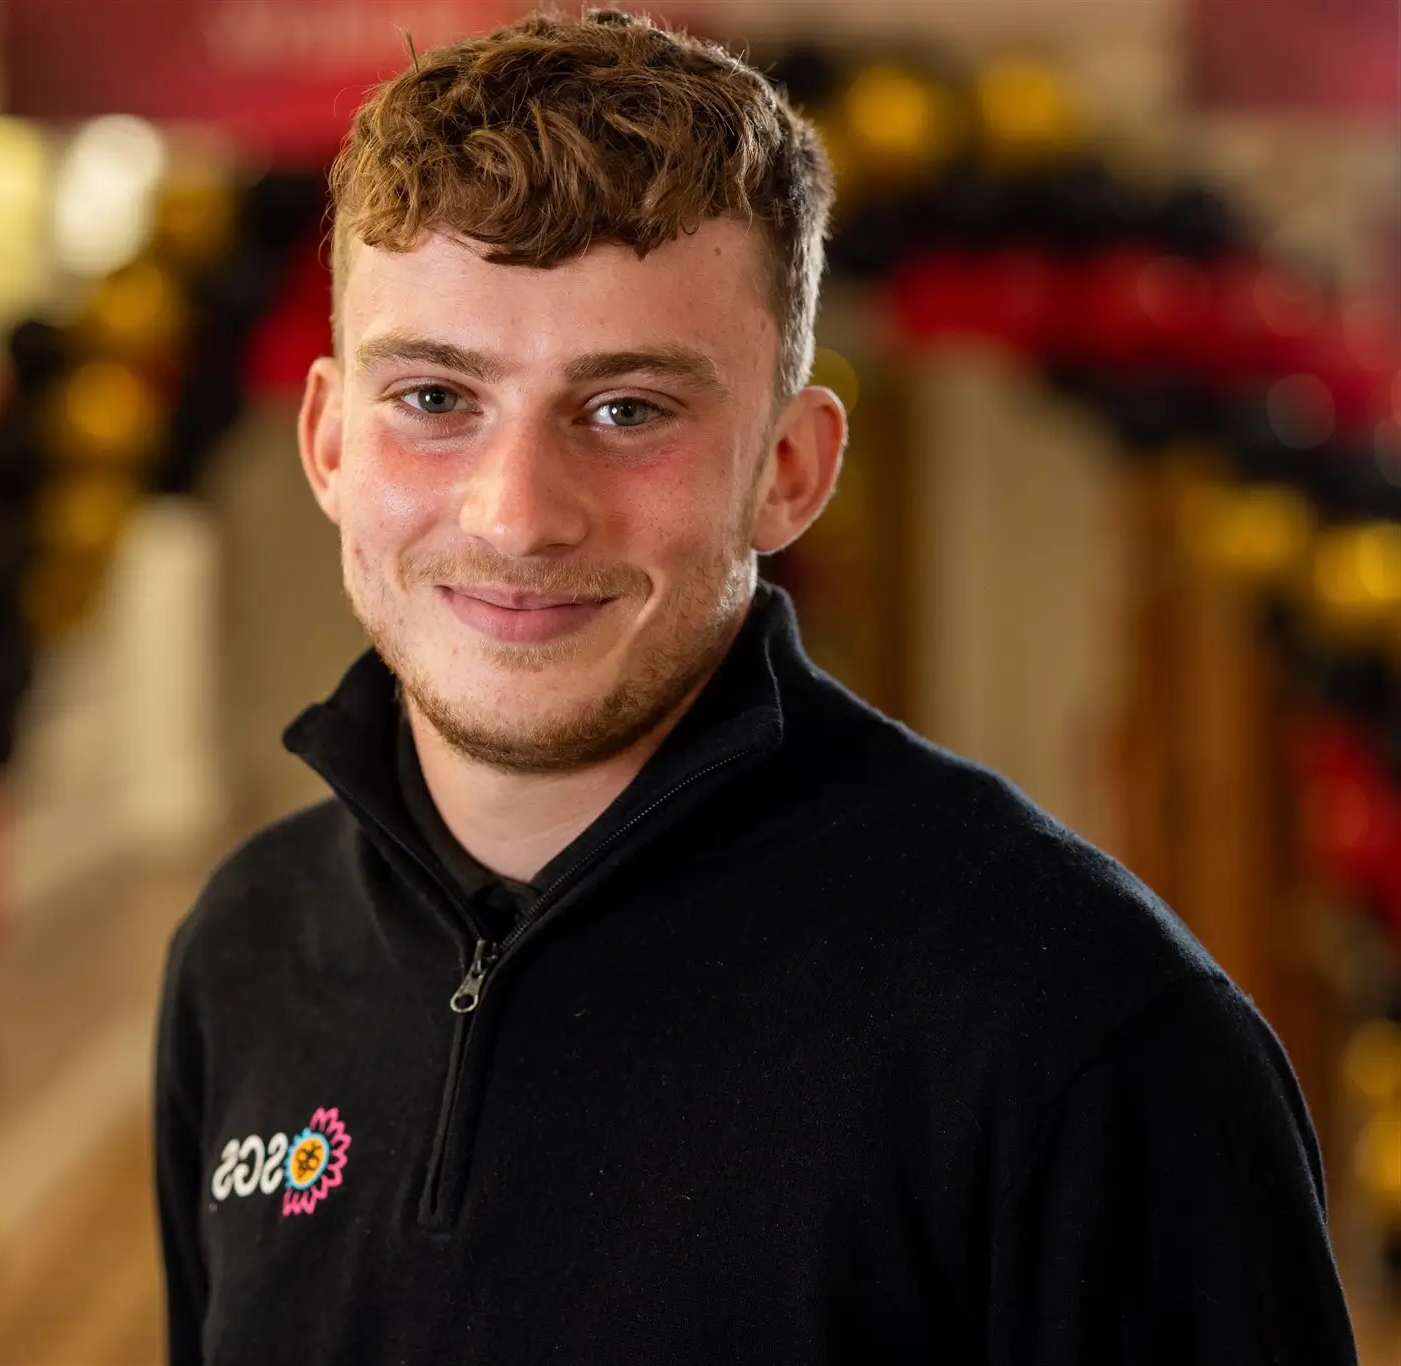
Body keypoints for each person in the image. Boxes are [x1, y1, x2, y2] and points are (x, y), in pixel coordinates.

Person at [153, 11, 1357, 1363]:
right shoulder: (245, 953)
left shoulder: (1080, 1027)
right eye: (434, 398)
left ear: (792, 466)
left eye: (627, 410)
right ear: (328, 441)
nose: (518, 514)